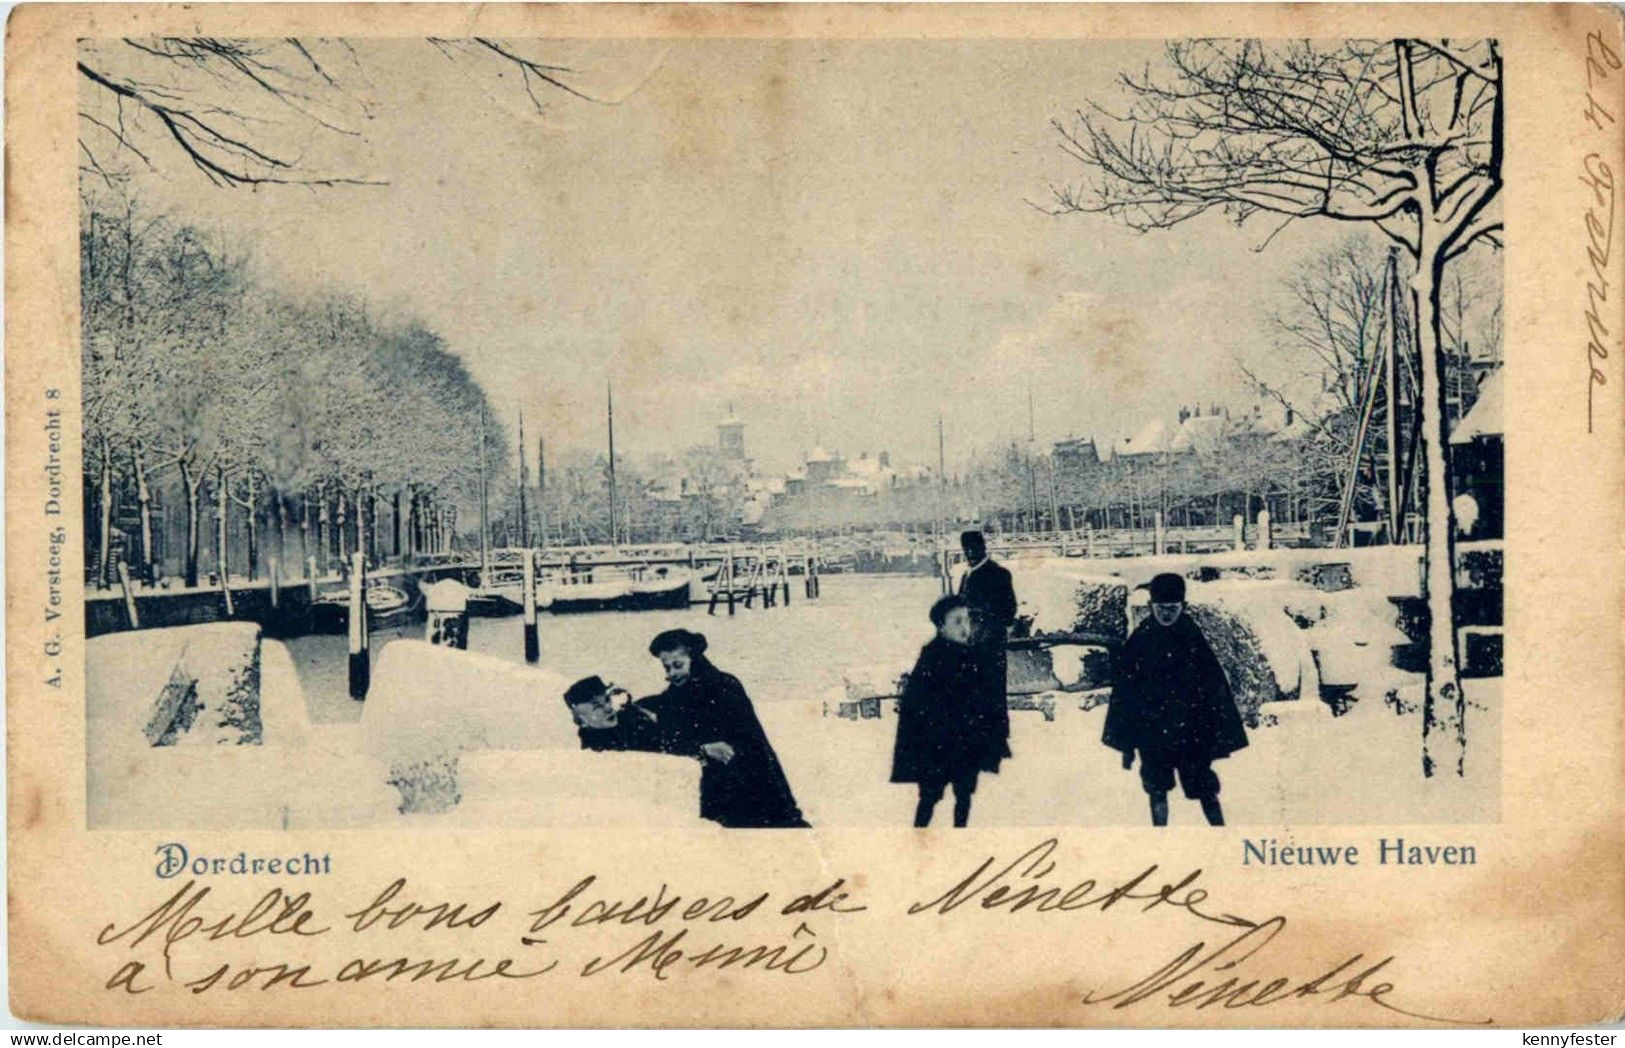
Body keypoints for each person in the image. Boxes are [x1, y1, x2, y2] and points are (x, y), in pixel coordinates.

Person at [1102, 573, 1248, 827]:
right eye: (1161, 608)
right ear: (1151, 606)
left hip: (1192, 731)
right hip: (1153, 732)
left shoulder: (1192, 638)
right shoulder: (1141, 640)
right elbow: (1124, 694)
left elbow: (1215, 687)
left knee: (1204, 786)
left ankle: (1221, 833)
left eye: (1173, 608)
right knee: (1156, 787)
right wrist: (1126, 742)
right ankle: (1161, 835)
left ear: (1183, 607)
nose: (1167, 614)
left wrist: (1219, 731)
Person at [641, 628, 809, 829]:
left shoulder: (724, 687)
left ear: (694, 659)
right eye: (666, 668)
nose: (672, 674)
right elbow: (664, 704)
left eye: (678, 665)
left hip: (749, 785)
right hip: (721, 787)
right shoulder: (682, 691)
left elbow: (746, 743)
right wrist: (633, 705)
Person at [891, 595, 989, 827]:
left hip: (964, 741)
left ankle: (960, 839)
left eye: (966, 620)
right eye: (957, 622)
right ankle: (919, 840)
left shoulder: (971, 655)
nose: (964, 627)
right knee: (930, 797)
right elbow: (916, 702)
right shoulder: (931, 656)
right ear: (941, 626)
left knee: (964, 796)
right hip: (937, 743)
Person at [957, 530, 1015, 773]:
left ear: (983, 548)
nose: (970, 554)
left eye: (974, 549)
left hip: (989, 646)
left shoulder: (999, 574)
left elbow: (1008, 611)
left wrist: (983, 623)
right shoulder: (966, 576)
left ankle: (997, 745)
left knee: (992, 694)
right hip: (970, 646)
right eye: (966, 550)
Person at [563, 675, 662, 753]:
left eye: (607, 699)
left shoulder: (627, 718)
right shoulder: (599, 750)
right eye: (597, 706)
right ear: (582, 719)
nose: (608, 708)